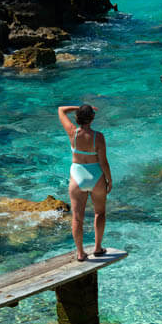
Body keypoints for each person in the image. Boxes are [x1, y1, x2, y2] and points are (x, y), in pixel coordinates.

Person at [57, 103, 112, 261]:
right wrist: (109, 179)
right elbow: (103, 162)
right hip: (96, 176)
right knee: (99, 213)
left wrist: (78, 109)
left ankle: (80, 253)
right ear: (92, 118)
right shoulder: (98, 137)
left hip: (77, 176)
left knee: (77, 217)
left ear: (77, 118)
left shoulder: (72, 132)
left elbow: (61, 110)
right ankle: (97, 247)